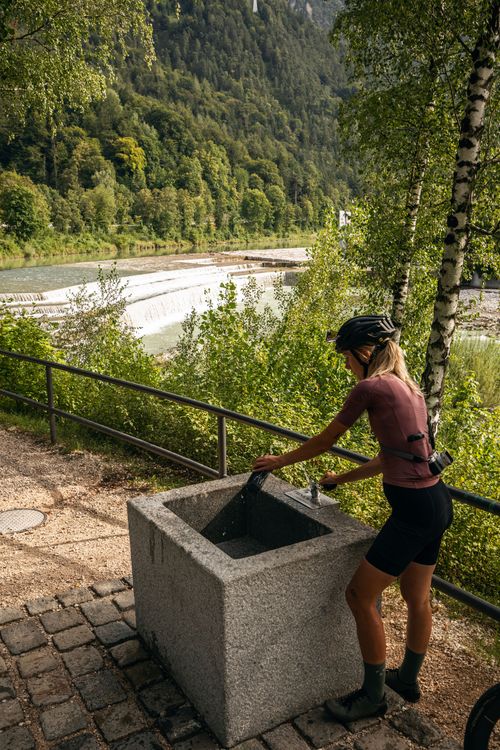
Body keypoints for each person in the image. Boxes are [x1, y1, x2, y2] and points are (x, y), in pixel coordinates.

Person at [252, 315, 453, 722]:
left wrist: (279, 460)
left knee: (359, 596)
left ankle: (372, 696)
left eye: (346, 356)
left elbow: (327, 440)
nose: (345, 365)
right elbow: (390, 457)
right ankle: (408, 681)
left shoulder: (370, 387)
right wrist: (341, 478)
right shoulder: (408, 388)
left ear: (365, 353)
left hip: (413, 512)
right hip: (436, 503)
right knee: (417, 598)